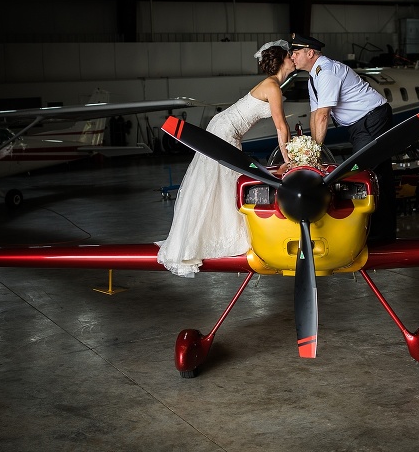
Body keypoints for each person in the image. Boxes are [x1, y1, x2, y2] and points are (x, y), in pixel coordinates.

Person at [155, 40, 295, 277]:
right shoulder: (273, 87)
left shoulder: (272, 85)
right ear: (283, 61)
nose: (293, 59)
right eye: (290, 56)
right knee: (223, 181)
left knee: (222, 182)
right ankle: (210, 238)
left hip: (226, 128)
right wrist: (290, 160)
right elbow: (282, 128)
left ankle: (218, 233)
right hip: (225, 130)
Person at [288, 32, 396, 243]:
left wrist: (313, 153)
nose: (292, 56)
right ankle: (376, 233)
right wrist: (311, 150)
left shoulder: (326, 72)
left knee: (368, 173)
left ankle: (380, 236)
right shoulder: (313, 77)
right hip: (358, 125)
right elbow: (314, 114)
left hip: (371, 118)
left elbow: (323, 115)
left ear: (310, 53)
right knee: (371, 172)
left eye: (296, 52)